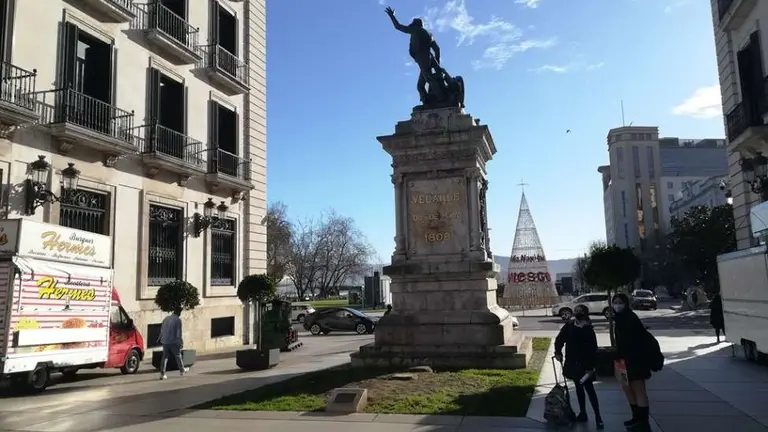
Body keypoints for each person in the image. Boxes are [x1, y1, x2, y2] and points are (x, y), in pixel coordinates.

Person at [554, 305, 604, 429]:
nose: (577, 313)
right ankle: (582, 413)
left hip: (585, 365)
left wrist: (591, 366)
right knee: (578, 387)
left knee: (589, 389)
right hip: (572, 362)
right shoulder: (569, 326)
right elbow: (560, 339)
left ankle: (598, 417)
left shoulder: (588, 329)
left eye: (580, 312)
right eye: (575, 311)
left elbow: (593, 349)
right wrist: (558, 352)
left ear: (585, 314)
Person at [612, 293, 652, 432]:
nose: (617, 305)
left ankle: (644, 423)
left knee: (639, 391)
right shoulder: (619, 318)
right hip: (623, 362)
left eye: (620, 302)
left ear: (626, 303)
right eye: (615, 302)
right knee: (628, 390)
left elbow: (632, 341)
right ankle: (636, 417)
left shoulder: (630, 318)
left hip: (635, 361)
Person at [384, 6, 442, 103]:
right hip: (429, 58)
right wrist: (437, 63)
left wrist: (392, 16)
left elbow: (398, 27)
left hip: (423, 59)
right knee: (420, 85)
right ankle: (427, 101)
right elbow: (437, 49)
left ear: (415, 25)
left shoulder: (416, 30)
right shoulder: (429, 34)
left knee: (429, 79)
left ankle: (441, 97)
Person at [158, 307, 188, 380]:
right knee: (178, 355)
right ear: (179, 313)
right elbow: (178, 333)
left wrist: (160, 339)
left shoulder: (166, 318)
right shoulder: (178, 320)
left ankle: (162, 373)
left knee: (165, 357)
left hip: (165, 341)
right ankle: (182, 370)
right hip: (173, 341)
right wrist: (180, 342)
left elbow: (162, 330)